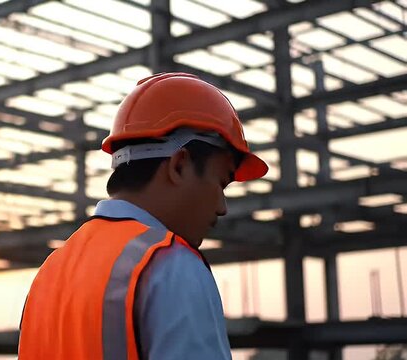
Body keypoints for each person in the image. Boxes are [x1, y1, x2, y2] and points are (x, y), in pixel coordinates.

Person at [19, 72, 268, 360]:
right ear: (179, 165)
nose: (222, 206)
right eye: (221, 183)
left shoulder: (51, 272)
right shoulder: (171, 264)